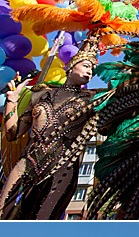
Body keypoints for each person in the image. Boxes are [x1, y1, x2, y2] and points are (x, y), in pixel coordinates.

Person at [0, 45, 98, 220]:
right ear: (69, 66)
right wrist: (11, 102)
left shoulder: (93, 100)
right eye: (86, 65)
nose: (91, 72)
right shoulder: (40, 94)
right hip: (26, 164)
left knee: (42, 220)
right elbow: (12, 134)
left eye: (93, 69)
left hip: (61, 171)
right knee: (4, 214)